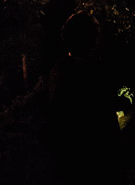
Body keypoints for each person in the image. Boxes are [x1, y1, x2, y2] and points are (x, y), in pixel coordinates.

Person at [47, 12, 122, 184]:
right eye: (96, 35)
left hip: (73, 159)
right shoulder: (91, 73)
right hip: (94, 159)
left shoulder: (60, 69)